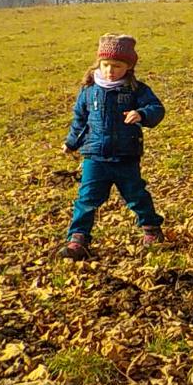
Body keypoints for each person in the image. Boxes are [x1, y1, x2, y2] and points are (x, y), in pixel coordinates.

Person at [60, 33, 166, 260]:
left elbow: (157, 109)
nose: (110, 70)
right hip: (95, 156)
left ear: (128, 67)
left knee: (136, 194)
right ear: (99, 63)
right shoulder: (89, 90)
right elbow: (80, 119)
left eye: (117, 66)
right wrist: (71, 142)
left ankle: (151, 229)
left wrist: (142, 113)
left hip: (126, 155)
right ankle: (78, 239)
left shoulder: (136, 89)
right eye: (106, 65)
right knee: (86, 198)